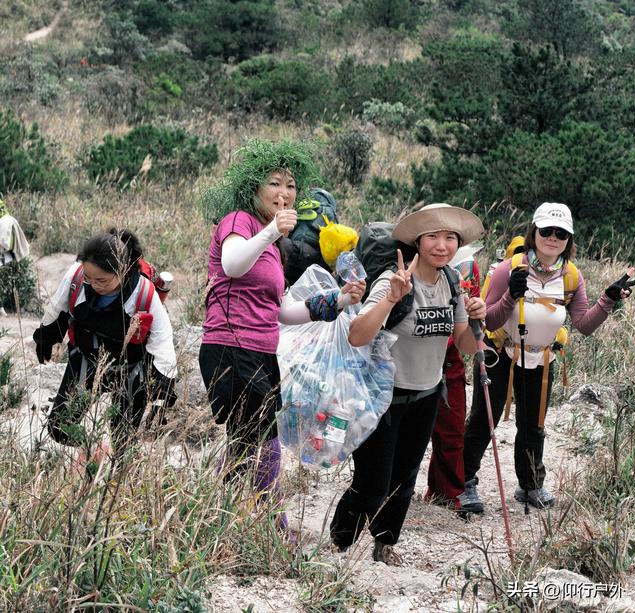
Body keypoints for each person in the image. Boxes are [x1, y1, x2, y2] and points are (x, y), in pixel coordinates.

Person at [199, 139, 365, 527]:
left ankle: (214, 512)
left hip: (260, 350)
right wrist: (272, 231)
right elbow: (233, 264)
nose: (284, 193)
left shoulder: (272, 241)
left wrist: (337, 301)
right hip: (229, 345)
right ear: (253, 187)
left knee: (245, 440)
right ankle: (273, 521)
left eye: (290, 185)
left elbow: (280, 310)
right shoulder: (238, 222)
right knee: (264, 440)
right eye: (275, 183)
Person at [330, 203, 486, 565]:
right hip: (382, 397)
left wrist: (479, 322)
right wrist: (391, 298)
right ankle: (340, 541)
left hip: (427, 395)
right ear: (418, 240)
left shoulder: (451, 283)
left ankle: (385, 545)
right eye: (433, 236)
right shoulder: (393, 279)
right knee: (373, 484)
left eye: (450, 238)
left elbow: (463, 344)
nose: (442, 245)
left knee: (404, 480)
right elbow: (357, 335)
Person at [461, 203, 635, 513]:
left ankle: (530, 484)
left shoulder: (570, 276)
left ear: (568, 239)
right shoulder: (507, 270)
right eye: (547, 231)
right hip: (499, 354)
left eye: (561, 233)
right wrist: (509, 296)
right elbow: (488, 321)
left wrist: (607, 299)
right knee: (482, 421)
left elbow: (583, 324)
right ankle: (464, 481)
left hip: (541, 361)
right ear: (534, 232)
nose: (553, 238)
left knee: (534, 425)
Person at [33, 229, 177, 455]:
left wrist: (163, 392)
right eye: (89, 278)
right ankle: (94, 452)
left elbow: (163, 342)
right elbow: (57, 308)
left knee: (124, 444)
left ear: (122, 270)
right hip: (85, 361)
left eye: (101, 280)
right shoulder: (76, 278)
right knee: (58, 427)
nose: (93, 285)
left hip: (130, 371)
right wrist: (45, 337)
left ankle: (117, 477)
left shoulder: (143, 293)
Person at [424, 243, 482, 518]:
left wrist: (476, 318)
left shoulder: (466, 267)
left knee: (452, 427)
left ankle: (446, 490)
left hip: (449, 355)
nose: (442, 243)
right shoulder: (413, 269)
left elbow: (466, 330)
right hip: (419, 356)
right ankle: (441, 490)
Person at [0, 198, 32, 316]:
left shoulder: (4, 221)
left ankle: (3, 308)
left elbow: (3, 243)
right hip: (12, 254)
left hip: (7, 254)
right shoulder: (6, 218)